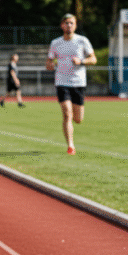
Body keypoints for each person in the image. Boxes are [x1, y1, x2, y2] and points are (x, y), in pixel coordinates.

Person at [46, 13, 96, 155]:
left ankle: (72, 138)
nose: (69, 25)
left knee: (78, 119)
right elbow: (49, 61)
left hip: (79, 82)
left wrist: (81, 61)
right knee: (67, 114)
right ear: (62, 25)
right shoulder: (55, 43)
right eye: (66, 23)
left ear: (75, 25)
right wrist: (50, 64)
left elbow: (93, 59)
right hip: (62, 82)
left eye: (71, 23)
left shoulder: (82, 41)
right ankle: (71, 146)